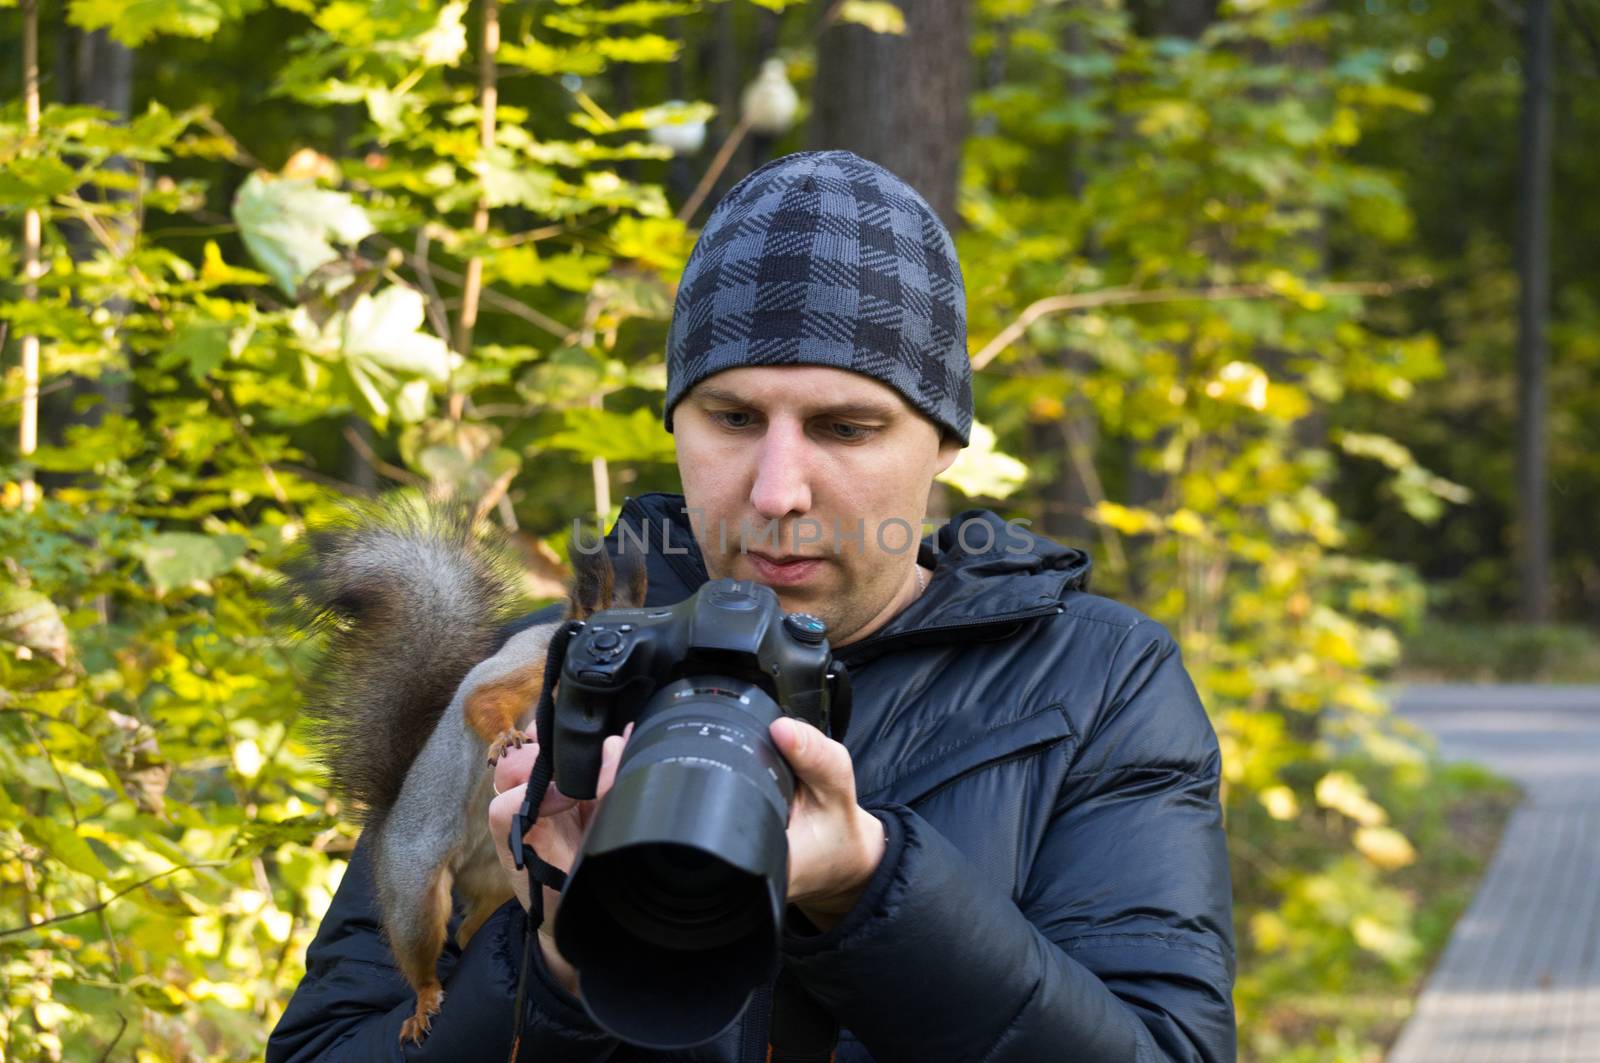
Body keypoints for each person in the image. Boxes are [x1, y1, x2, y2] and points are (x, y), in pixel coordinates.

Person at [267, 150, 1236, 1062]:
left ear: (944, 443)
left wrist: (870, 887)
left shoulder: (1093, 681)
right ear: (676, 423)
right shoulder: (544, 672)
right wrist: (554, 963)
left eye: (844, 427)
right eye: (732, 419)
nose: (777, 490)